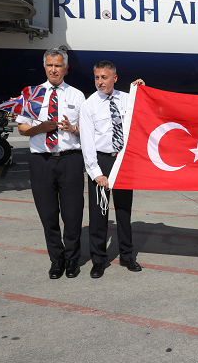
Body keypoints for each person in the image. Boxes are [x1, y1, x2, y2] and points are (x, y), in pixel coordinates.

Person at [17, 48, 86, 279]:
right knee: (48, 215)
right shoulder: (32, 93)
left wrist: (73, 129)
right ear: (44, 67)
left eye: (58, 65)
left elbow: (87, 132)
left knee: (73, 214)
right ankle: (57, 260)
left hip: (70, 160)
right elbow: (22, 128)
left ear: (66, 68)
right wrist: (41, 128)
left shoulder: (77, 95)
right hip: (41, 161)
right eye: (49, 65)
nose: (53, 70)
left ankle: (73, 259)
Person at [79, 61, 145, 278]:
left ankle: (127, 255)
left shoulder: (127, 98)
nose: (100, 82)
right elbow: (87, 141)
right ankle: (98, 260)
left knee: (124, 212)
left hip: (124, 162)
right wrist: (96, 172)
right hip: (102, 162)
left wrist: (141, 90)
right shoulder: (89, 105)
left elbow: (146, 111)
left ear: (114, 78)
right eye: (97, 77)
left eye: (104, 77)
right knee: (99, 213)